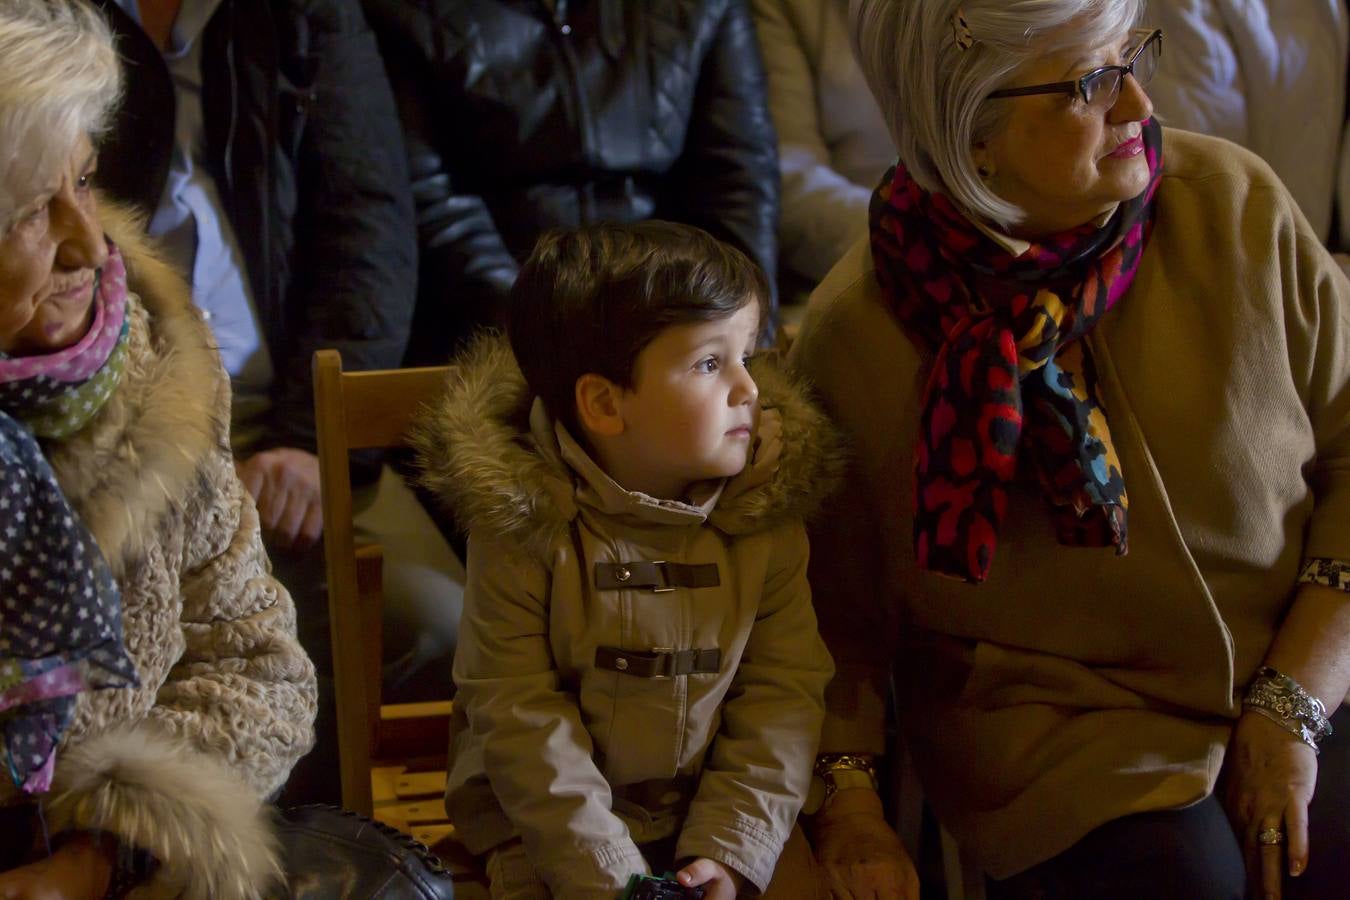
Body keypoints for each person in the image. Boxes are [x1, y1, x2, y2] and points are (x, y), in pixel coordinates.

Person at [788, 1, 1350, 898]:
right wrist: (850, 807)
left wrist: (1293, 702)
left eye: (1134, 57)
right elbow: (831, 630)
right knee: (1183, 882)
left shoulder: (1234, 207)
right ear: (973, 133)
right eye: (1091, 82)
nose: (1137, 104)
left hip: (1301, 649)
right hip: (1058, 733)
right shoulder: (856, 336)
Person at [92, 0, 464, 794]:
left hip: (282, 415)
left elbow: (369, 225)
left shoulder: (303, 12)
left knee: (441, 626)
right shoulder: (42, 21)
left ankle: (328, 844)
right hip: (107, 415)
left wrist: (309, 441)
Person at [412, 221, 837, 899]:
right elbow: (521, 716)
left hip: (718, 804)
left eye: (748, 357)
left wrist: (729, 849)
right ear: (606, 404)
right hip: (545, 824)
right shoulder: (524, 521)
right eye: (709, 363)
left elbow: (782, 695)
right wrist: (613, 880)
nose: (748, 390)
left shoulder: (762, 509)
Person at [0, 2, 316, 897]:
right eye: (30, 211)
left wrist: (101, 849)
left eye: (87, 181)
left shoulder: (155, 379)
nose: (85, 240)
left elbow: (261, 670)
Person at [362, 0, 782, 360]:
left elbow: (737, 177)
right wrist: (543, 330)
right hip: (495, 324)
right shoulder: (403, 10)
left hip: (680, 310)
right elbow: (431, 198)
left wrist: (738, 324)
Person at [751, 0, 894, 290]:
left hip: (989, 242)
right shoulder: (789, 9)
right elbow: (788, 180)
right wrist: (912, 240)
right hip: (866, 264)